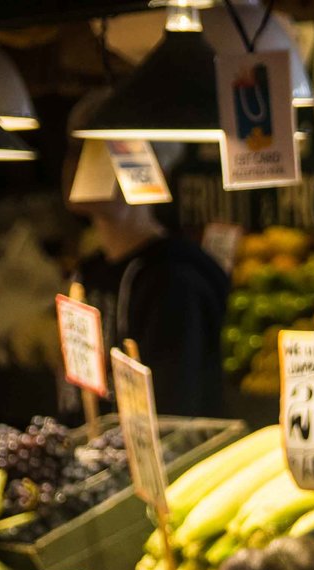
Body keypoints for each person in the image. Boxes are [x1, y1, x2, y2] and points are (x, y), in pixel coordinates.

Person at [66, 114, 227, 418]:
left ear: (154, 169)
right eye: (75, 149)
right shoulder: (87, 274)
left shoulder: (174, 281)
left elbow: (175, 415)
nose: (77, 166)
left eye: (99, 151)